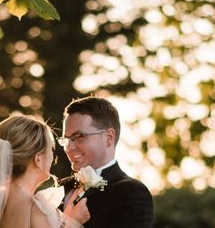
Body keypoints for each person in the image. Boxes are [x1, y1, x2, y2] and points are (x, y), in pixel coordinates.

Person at [0, 114, 90, 228]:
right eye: (51, 150)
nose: (53, 159)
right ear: (38, 159)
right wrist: (73, 222)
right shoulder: (31, 207)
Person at [59, 96, 154, 228]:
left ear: (108, 137)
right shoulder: (60, 188)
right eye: (66, 139)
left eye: (79, 136)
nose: (69, 147)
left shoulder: (131, 192)